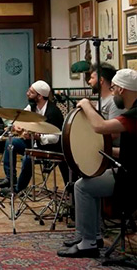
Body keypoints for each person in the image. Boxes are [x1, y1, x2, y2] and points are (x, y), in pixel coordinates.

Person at [58, 69, 137, 258]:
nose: (113, 91)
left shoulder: (133, 115)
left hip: (131, 178)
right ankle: (91, 236)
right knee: (88, 183)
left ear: (121, 89)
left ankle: (88, 243)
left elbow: (100, 127)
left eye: (114, 88)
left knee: (83, 186)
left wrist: (86, 105)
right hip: (128, 170)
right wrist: (101, 152)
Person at [0, 80, 68, 195]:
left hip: (50, 148)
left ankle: (19, 189)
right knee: (11, 142)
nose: (27, 93)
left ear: (39, 96)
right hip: (33, 143)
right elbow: (20, 117)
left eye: (31, 92)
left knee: (28, 157)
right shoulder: (32, 106)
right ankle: (10, 179)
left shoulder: (53, 112)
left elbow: (55, 138)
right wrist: (17, 126)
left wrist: (38, 138)